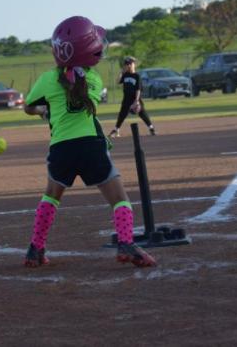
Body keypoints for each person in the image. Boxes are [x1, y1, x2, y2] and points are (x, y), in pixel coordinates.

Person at [23, 16, 156, 268]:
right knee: (119, 198)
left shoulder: (47, 79)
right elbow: (79, 96)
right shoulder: (94, 80)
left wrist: (43, 110)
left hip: (61, 148)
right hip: (91, 146)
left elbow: (28, 106)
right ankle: (126, 243)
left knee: (51, 197)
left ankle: (35, 249)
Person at [108, 56, 156, 138]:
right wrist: (121, 72)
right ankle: (116, 129)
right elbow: (118, 82)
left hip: (135, 98)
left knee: (142, 113)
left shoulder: (137, 76)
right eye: (127, 64)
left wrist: (136, 101)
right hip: (126, 99)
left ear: (133, 65)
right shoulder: (125, 75)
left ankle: (151, 128)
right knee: (122, 114)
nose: (128, 65)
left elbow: (138, 89)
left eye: (130, 64)